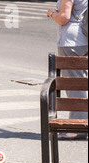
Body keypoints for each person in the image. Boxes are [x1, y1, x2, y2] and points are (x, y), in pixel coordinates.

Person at [47, 0, 88, 140]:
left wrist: (52, 13)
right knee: (83, 82)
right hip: (85, 37)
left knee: (75, 85)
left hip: (73, 41)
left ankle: (78, 128)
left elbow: (64, 17)